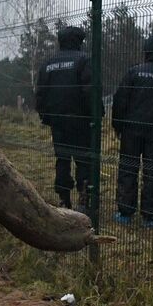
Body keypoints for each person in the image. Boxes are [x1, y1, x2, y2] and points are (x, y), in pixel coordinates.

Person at [112, 36, 153, 228]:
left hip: (131, 131)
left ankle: (125, 212)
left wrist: (118, 126)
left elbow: (120, 100)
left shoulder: (134, 72)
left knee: (128, 169)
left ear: (146, 52)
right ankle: (149, 216)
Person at [35, 25, 93, 211]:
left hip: (57, 121)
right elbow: (89, 90)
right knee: (83, 159)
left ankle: (63, 197)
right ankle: (84, 196)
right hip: (80, 121)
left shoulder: (49, 63)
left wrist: (45, 116)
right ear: (78, 41)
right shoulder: (83, 60)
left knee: (62, 159)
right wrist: (95, 115)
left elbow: (40, 93)